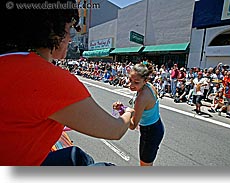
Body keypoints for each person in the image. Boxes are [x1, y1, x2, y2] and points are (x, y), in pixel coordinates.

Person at [0, 0, 134, 166]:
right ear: (53, 31)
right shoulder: (49, 78)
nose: (71, 38)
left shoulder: (7, 60)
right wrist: (128, 112)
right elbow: (115, 130)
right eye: (70, 29)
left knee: (76, 156)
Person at [113, 63, 164, 166]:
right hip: (157, 126)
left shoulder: (141, 98)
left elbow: (132, 126)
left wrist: (123, 111)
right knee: (147, 163)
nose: (131, 85)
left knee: (144, 165)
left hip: (150, 132)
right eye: (130, 80)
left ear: (145, 80)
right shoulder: (149, 87)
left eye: (136, 82)